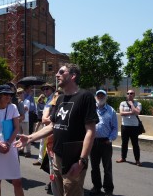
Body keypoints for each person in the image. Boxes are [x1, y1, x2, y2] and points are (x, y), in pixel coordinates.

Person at [15, 63, 98, 196]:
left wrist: (82, 161)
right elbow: (53, 126)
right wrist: (30, 138)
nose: (56, 74)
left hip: (73, 160)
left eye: (61, 72)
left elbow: (91, 131)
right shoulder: (59, 99)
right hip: (56, 157)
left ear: (72, 76)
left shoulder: (85, 97)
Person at [0, 84, 24, 196]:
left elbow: (16, 127)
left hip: (10, 145)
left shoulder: (13, 108)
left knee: (17, 181)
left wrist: (8, 143)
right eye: (5, 94)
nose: (9, 96)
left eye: (10, 94)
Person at [90, 90, 118, 196]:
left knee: (107, 167)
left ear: (106, 97)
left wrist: (110, 139)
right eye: (98, 95)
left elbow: (115, 128)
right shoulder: (91, 109)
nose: (100, 97)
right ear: (96, 97)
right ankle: (96, 187)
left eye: (102, 95)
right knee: (94, 167)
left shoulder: (111, 110)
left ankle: (108, 189)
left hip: (106, 142)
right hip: (93, 141)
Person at [116, 89, 142, 166]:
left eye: (131, 93)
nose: (129, 95)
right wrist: (131, 112)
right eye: (128, 93)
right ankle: (123, 158)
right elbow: (121, 113)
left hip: (134, 126)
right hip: (125, 126)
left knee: (135, 144)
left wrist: (132, 105)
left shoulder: (138, 103)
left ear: (134, 95)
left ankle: (137, 160)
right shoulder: (122, 103)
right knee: (124, 143)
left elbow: (137, 112)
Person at [33, 83, 55, 166]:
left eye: (47, 89)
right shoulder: (48, 99)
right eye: (44, 89)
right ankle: (41, 159)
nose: (45, 91)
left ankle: (50, 167)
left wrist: (47, 119)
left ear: (52, 90)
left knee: (49, 144)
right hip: (45, 123)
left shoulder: (54, 99)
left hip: (50, 124)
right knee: (42, 141)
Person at [17, 87, 31, 157]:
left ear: (23, 93)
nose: (20, 94)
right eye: (18, 93)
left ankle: (28, 151)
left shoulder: (27, 101)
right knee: (20, 136)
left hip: (25, 121)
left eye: (21, 93)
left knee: (26, 136)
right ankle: (21, 149)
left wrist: (21, 109)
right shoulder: (18, 102)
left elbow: (25, 110)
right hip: (19, 121)